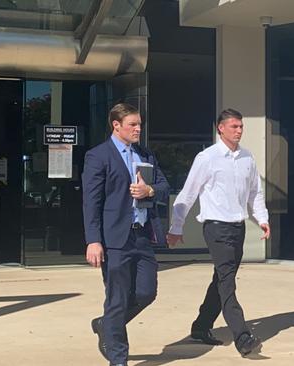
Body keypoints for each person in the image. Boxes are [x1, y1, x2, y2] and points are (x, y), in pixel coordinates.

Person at [166, 108, 270, 357]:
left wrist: (263, 218)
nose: (239, 131)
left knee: (221, 278)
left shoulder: (247, 158)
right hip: (216, 228)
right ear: (220, 128)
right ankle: (243, 337)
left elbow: (256, 192)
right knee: (227, 282)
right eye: (234, 126)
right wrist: (176, 227)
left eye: (241, 126)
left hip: (239, 227)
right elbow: (188, 194)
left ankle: (201, 327)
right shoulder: (207, 158)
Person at [82, 102, 169, 366]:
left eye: (139, 124)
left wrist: (149, 191)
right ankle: (118, 359)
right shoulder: (99, 156)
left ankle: (105, 324)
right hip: (114, 240)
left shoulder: (145, 154)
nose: (138, 128)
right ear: (116, 125)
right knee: (117, 298)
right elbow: (91, 201)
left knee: (146, 292)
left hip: (142, 236)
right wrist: (93, 240)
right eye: (132, 124)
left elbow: (165, 187)